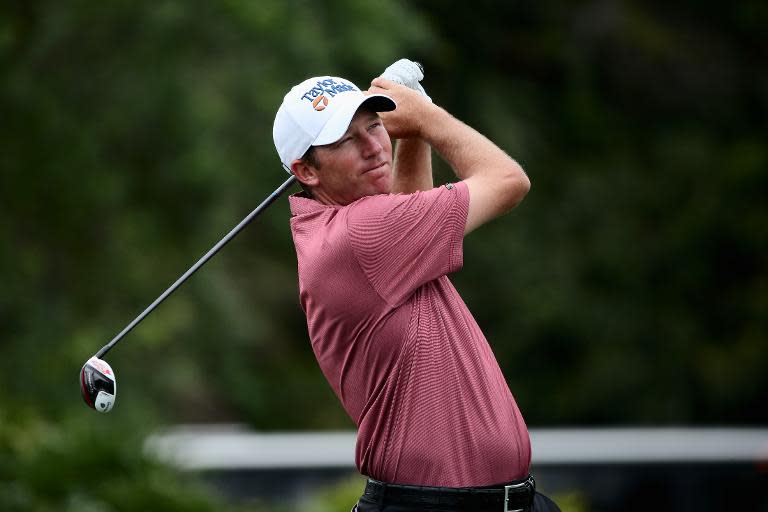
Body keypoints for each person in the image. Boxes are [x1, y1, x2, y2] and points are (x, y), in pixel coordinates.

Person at [272, 65, 560, 512]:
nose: (373, 147)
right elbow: (508, 181)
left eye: (376, 127)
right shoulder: (363, 235)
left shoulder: (354, 235)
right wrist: (426, 117)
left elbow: (404, 206)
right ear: (306, 170)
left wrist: (410, 137)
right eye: (348, 140)